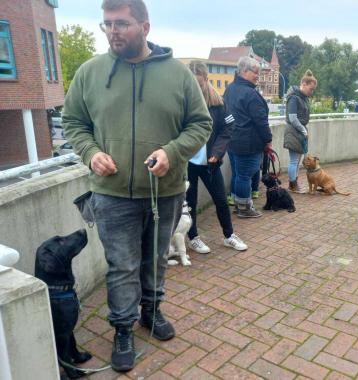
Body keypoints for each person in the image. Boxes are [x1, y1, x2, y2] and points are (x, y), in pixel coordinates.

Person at [62, 0, 212, 372]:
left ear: (144, 27)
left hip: (166, 191)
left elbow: (200, 124)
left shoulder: (178, 75)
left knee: (156, 258)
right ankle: (123, 328)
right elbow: (73, 123)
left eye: (122, 23)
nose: (113, 31)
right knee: (122, 266)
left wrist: (172, 152)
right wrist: (91, 152)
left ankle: (152, 310)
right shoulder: (89, 72)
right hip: (111, 193)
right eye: (107, 24)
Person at [186, 61, 248, 253]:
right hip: (187, 162)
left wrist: (217, 152)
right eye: (192, 83)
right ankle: (193, 237)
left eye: (200, 83)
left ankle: (229, 235)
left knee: (221, 199)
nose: (196, 87)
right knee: (190, 201)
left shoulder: (218, 103)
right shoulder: (182, 101)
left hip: (210, 163)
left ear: (206, 79)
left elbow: (228, 128)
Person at [224, 56, 272, 218]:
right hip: (248, 143)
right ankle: (244, 208)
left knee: (238, 174)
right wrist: (268, 140)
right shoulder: (250, 94)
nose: (258, 75)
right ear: (244, 71)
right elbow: (261, 121)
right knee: (245, 175)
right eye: (255, 72)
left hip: (232, 141)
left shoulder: (230, 89)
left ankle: (239, 204)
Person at [283, 69, 317, 193]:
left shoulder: (302, 98)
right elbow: (292, 118)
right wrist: (303, 130)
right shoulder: (294, 98)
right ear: (303, 84)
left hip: (299, 132)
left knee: (296, 161)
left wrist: (303, 130)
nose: (311, 92)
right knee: (294, 160)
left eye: (313, 89)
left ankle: (294, 183)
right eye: (310, 89)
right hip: (294, 131)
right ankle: (292, 185)